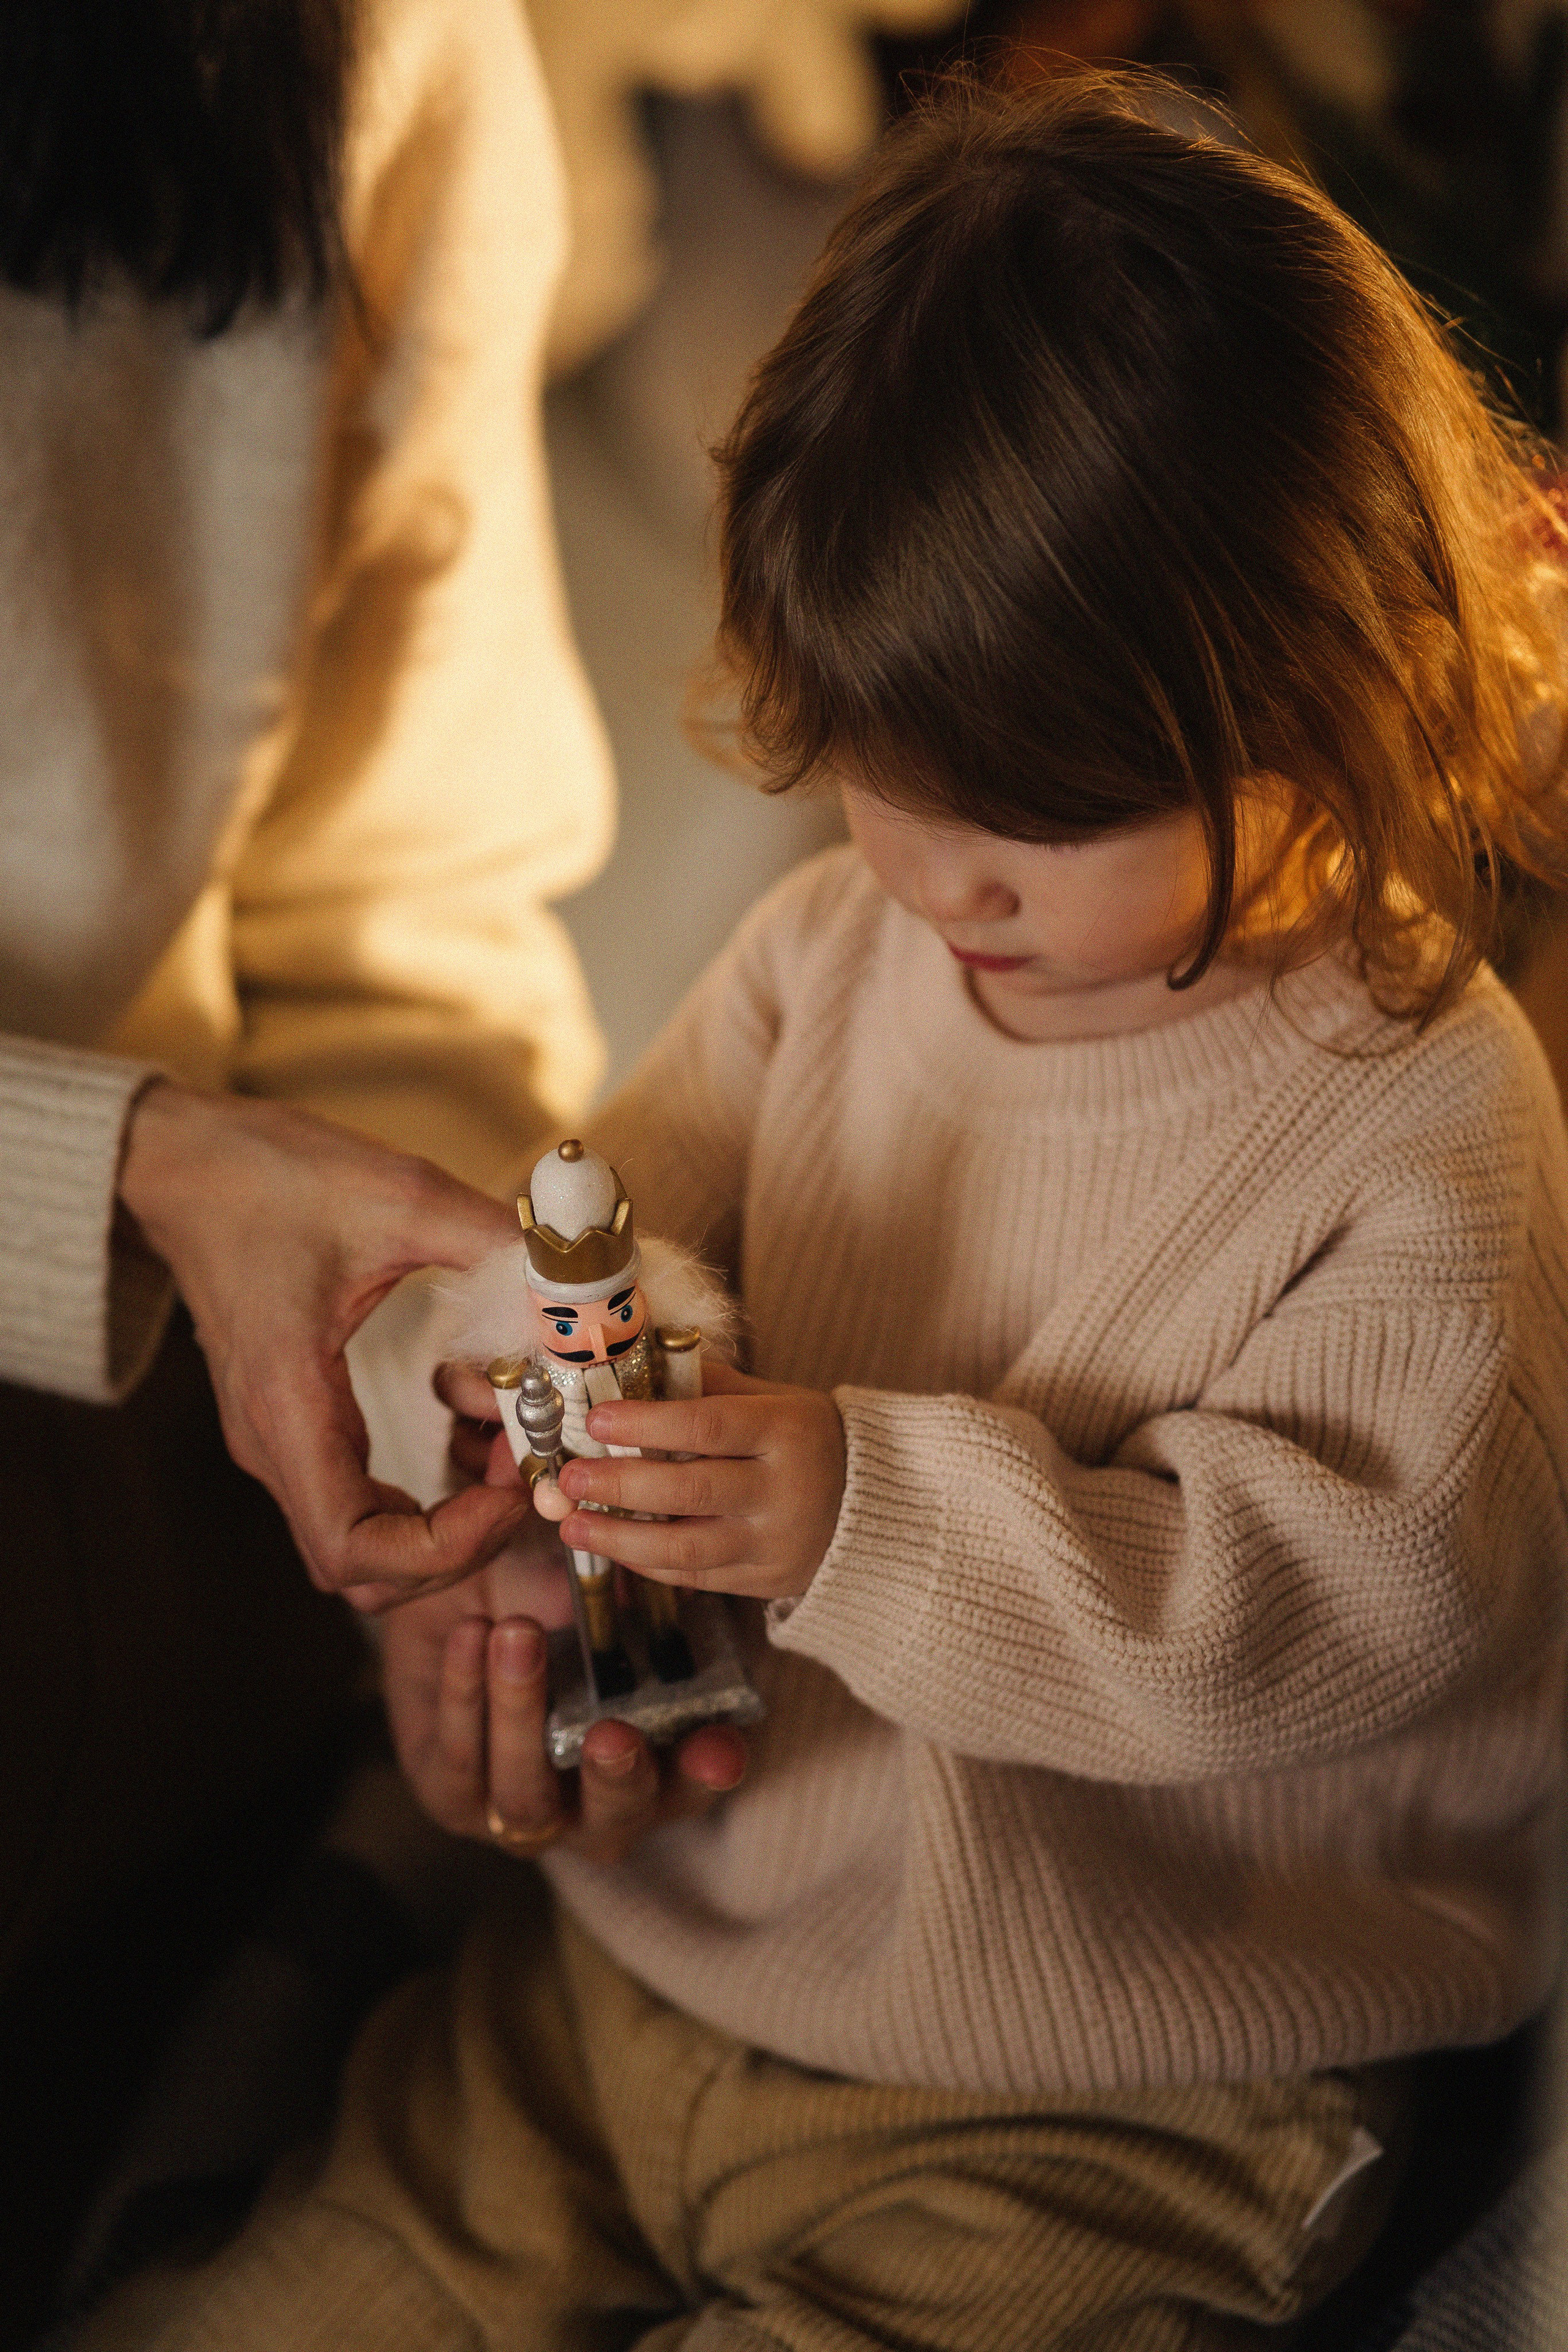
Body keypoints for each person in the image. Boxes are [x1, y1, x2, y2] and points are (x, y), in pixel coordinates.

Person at [71, 67, 1568, 2352]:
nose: (934, 877)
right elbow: (603, 1243)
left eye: (1040, 819)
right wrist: (531, 1518)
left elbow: (1351, 1607)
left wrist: (863, 1508)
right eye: (881, 775)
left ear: (1333, 695)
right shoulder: (831, 961)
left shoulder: (1423, 1119)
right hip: (645, 1974)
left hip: (1120, 2086)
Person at [0, 0, 738, 2002]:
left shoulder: (374, 52)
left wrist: (457, 1431)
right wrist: (107, 1171)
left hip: (168, 1486)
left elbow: (393, 894)